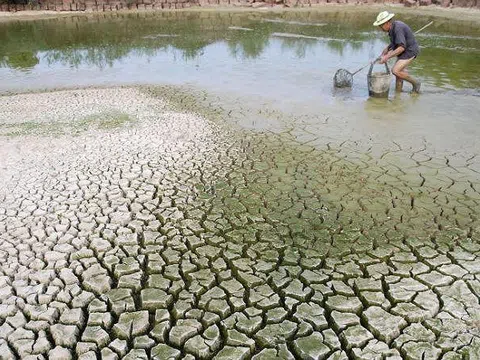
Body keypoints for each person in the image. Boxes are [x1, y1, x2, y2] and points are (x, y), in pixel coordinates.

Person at [373, 11, 421, 93]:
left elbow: (401, 48)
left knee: (395, 70)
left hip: (410, 51)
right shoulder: (392, 28)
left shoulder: (397, 28)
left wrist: (387, 57)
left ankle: (416, 83)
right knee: (399, 75)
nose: (380, 28)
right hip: (404, 51)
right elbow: (396, 42)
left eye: (381, 26)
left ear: (387, 23)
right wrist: (387, 48)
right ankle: (398, 95)